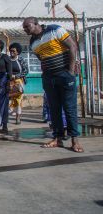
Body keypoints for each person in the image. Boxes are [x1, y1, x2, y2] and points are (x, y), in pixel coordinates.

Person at [23, 17, 83, 152]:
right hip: (49, 77)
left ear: (36, 24)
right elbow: (42, 59)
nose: (25, 29)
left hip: (65, 75)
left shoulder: (55, 29)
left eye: (28, 26)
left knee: (69, 108)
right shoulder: (32, 42)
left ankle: (75, 140)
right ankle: (58, 138)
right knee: (54, 109)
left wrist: (71, 71)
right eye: (24, 27)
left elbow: (72, 46)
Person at [8, 42, 29, 124]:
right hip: (9, 83)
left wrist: (17, 76)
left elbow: (26, 70)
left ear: (18, 52)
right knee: (9, 99)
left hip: (19, 83)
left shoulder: (21, 60)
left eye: (14, 51)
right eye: (11, 51)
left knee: (18, 100)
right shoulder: (8, 59)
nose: (12, 52)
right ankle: (6, 116)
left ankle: (18, 117)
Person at [0, 40, 12, 134]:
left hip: (3, 82)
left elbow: (9, 70)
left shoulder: (5, 57)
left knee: (3, 105)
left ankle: (4, 124)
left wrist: (8, 83)